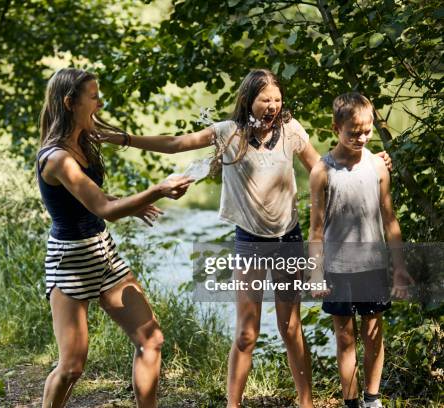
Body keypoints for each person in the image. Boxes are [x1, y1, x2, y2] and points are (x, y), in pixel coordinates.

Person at [99, 69, 392, 408]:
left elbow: (325, 171)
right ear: (249, 100)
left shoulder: (291, 131)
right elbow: (176, 144)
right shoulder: (228, 134)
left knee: (290, 329)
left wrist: (370, 161)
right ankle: (232, 404)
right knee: (246, 334)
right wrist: (124, 139)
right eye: (265, 99)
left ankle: (306, 403)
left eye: (277, 100)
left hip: (289, 240)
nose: (272, 106)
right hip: (249, 243)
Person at [37, 67, 193, 408]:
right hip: (71, 263)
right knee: (72, 366)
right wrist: (156, 190)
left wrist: (128, 206)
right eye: (93, 97)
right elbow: (103, 208)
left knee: (151, 339)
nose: (100, 103)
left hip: (104, 256)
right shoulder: (58, 158)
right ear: (69, 102)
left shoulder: (82, 142)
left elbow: (99, 199)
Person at [308, 92, 413, 408]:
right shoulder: (322, 171)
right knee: (345, 337)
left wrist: (399, 267)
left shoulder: (378, 166)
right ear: (335, 128)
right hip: (337, 267)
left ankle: (373, 399)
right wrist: (315, 274)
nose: (361, 137)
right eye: (353, 132)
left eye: (367, 131)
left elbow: (389, 217)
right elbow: (315, 229)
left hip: (372, 265)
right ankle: (351, 402)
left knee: (373, 334)